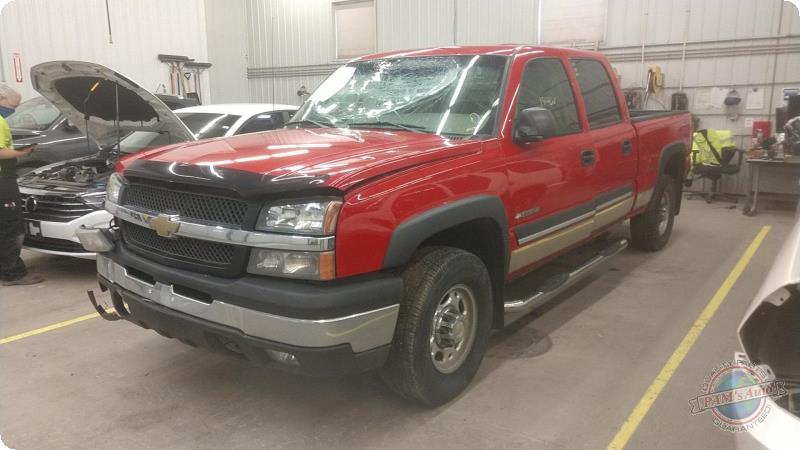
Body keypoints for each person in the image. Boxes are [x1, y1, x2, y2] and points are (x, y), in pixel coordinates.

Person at [0, 83, 43, 286]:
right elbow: (1, 151)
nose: (13, 110)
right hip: (3, 180)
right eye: (12, 105)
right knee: (12, 225)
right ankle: (12, 273)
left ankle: (6, 268)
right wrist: (22, 153)